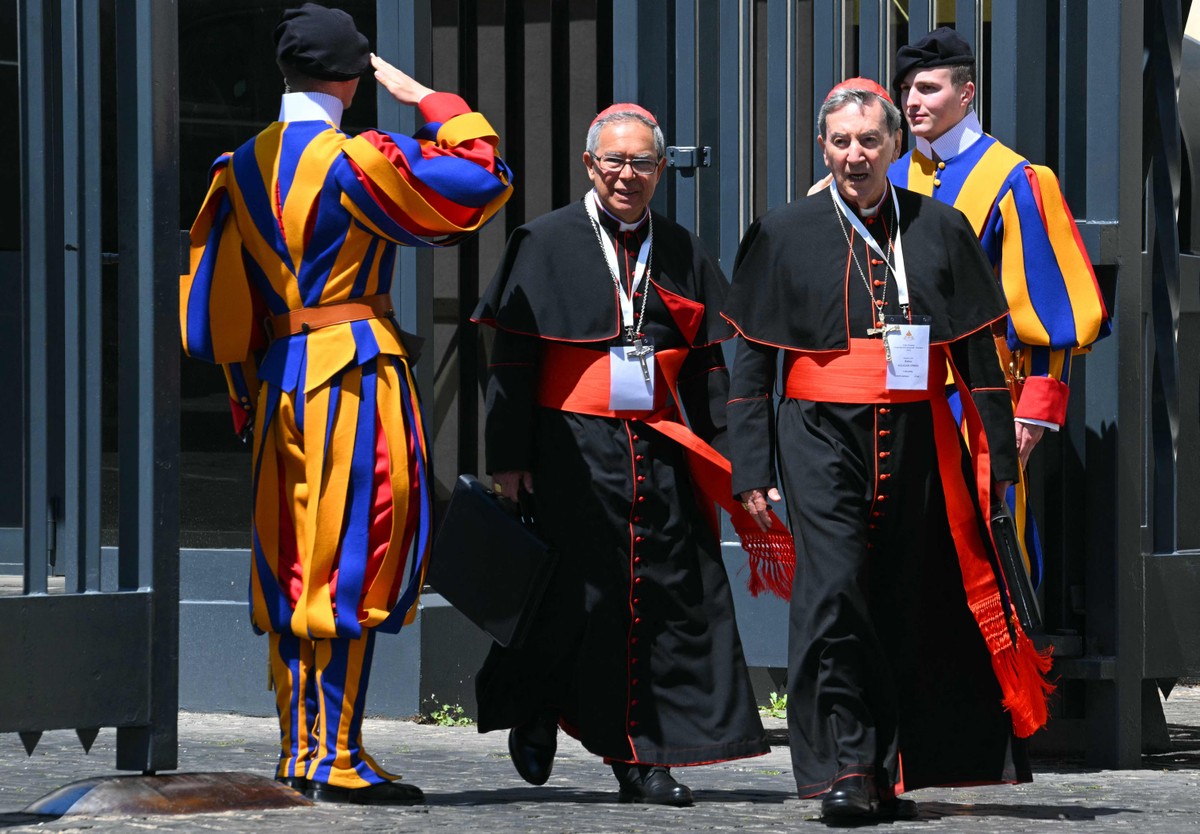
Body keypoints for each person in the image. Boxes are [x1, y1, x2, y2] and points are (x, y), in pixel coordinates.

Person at [179, 3, 512, 805]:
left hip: (279, 382)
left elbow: (214, 313)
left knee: (293, 565)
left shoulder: (241, 162)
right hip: (353, 382)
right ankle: (333, 757)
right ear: (355, 81)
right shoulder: (358, 158)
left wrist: (245, 395)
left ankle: (303, 751)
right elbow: (482, 180)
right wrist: (432, 101)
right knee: (349, 562)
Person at [725, 80, 1053, 824]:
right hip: (816, 432)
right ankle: (842, 766)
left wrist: (998, 460)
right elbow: (749, 364)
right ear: (822, 149)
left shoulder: (939, 228)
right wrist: (752, 470)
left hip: (916, 436)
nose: (855, 156)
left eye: (870, 141)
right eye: (840, 142)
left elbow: (977, 354)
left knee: (905, 595)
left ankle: (886, 769)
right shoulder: (783, 231)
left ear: (895, 147)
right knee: (835, 589)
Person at [471, 103, 770, 806]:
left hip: (657, 451)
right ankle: (540, 704)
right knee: (574, 600)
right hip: (568, 448)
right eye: (614, 160)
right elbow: (512, 360)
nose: (626, 175)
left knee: (658, 602)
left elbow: (705, 370)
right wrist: (509, 460)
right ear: (589, 165)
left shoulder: (683, 248)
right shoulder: (542, 242)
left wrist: (731, 466)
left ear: (662, 170)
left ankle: (641, 757)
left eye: (641, 162)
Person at [889, 27, 1110, 586]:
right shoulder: (889, 176)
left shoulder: (1015, 179)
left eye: (929, 88)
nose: (912, 101)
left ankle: (1004, 672)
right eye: (908, 88)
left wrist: (1032, 414)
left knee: (990, 542)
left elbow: (1048, 310)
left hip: (980, 399)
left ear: (965, 95)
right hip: (893, 391)